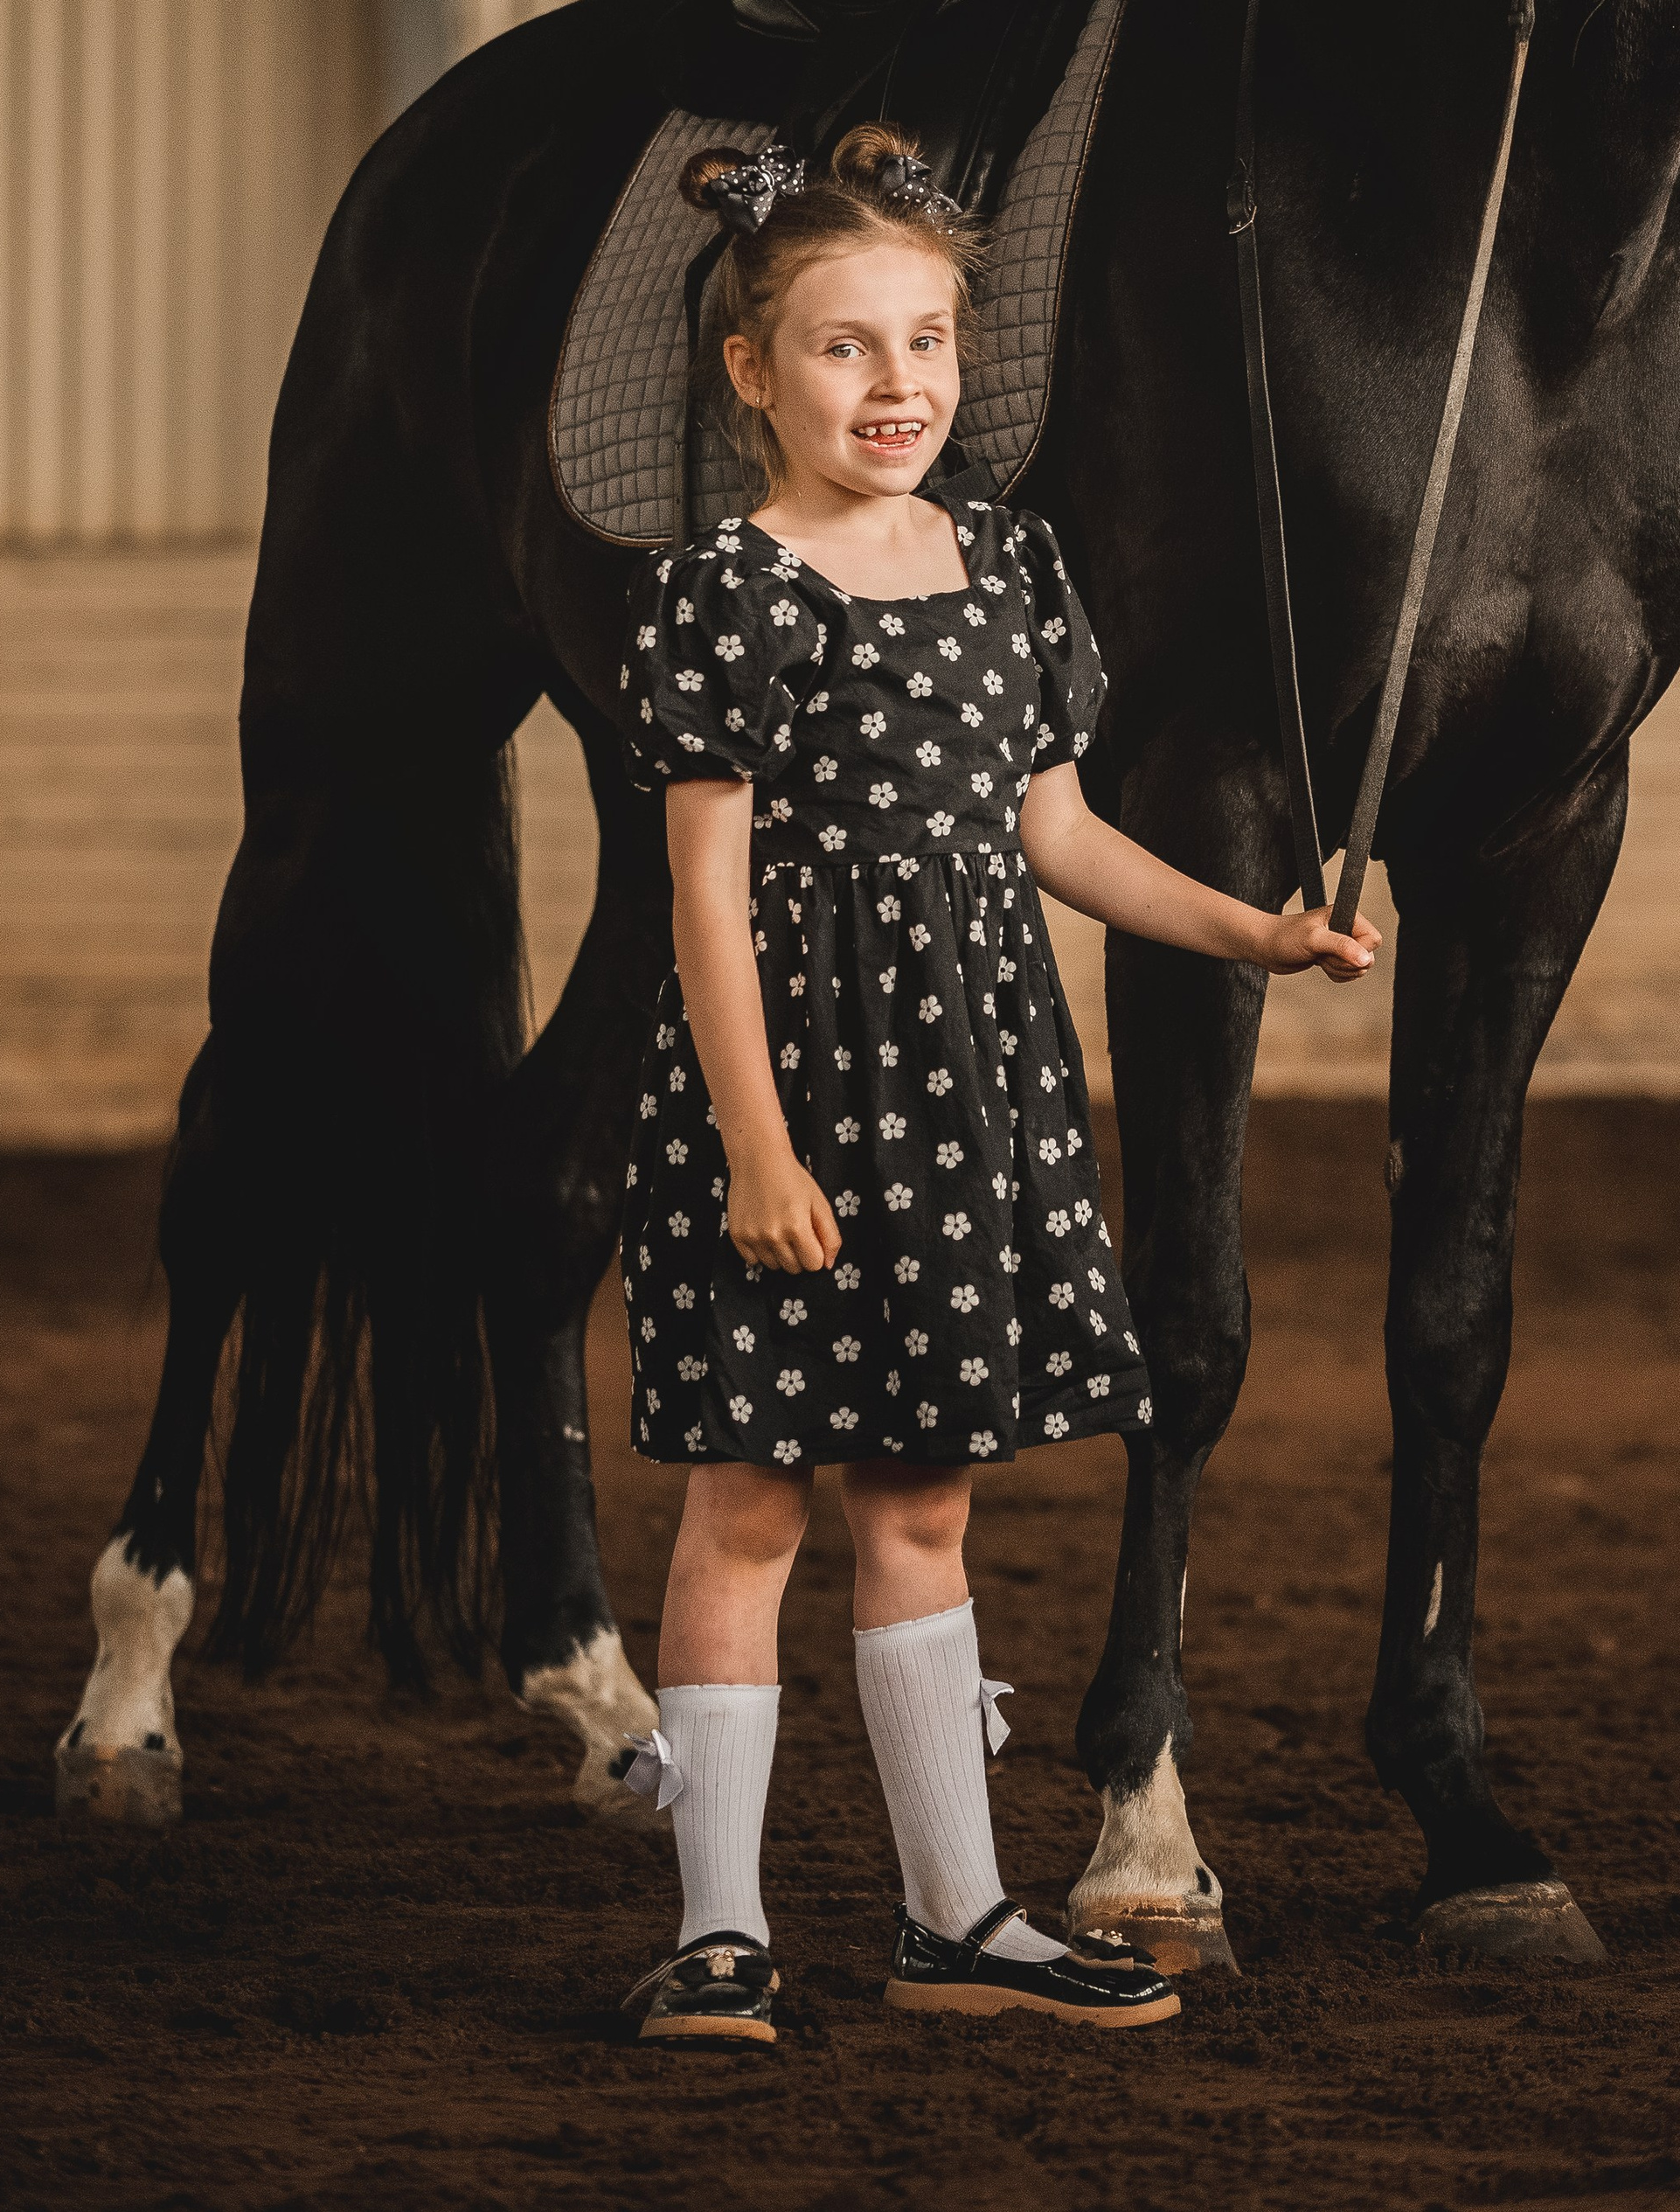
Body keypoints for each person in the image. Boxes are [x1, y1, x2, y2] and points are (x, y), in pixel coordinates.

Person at [614, 124, 1379, 2044]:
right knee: (748, 1505)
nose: (898, 387)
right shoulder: (728, 589)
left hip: (966, 1101)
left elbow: (1059, 830)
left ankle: (955, 1917)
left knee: (921, 1504)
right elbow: (700, 902)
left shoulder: (1014, 567)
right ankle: (719, 1929)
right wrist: (757, 1147)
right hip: (787, 1097)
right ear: (752, 372)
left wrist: (1246, 930)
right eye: (847, 347)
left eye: (929, 342)